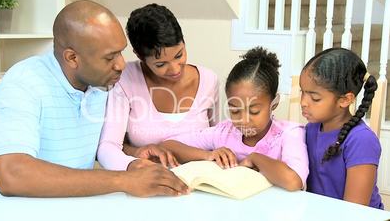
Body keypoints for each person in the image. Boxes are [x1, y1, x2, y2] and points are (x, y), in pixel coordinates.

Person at [0, 0, 188, 197]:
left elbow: (96, 145)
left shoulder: (101, 83)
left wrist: (133, 157)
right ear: (72, 58)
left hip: (73, 205)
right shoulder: (23, 83)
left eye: (120, 52)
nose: (121, 65)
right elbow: (12, 174)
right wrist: (124, 180)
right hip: (9, 208)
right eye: (109, 58)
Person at [158, 47, 309, 191]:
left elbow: (294, 181)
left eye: (254, 111)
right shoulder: (224, 132)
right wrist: (208, 155)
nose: (243, 120)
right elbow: (168, 145)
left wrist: (255, 158)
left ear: (273, 103)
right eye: (235, 110)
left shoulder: (289, 133)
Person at [97, 3, 219, 170]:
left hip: (202, 181)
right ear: (140, 56)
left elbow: (219, 138)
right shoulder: (125, 80)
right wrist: (137, 153)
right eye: (161, 64)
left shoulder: (209, 80)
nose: (175, 69)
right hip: (148, 179)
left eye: (179, 55)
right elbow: (109, 146)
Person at [299, 48, 383, 209]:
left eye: (315, 98)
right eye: (302, 92)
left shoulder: (361, 140)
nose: (303, 102)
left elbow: (354, 211)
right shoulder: (311, 129)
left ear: (345, 100)